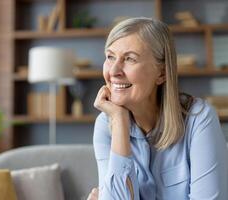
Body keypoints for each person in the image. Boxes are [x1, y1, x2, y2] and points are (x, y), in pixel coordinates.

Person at [87, 17, 228, 200]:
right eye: (110, 56)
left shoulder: (199, 118)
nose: (114, 71)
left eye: (129, 58)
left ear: (161, 73)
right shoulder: (106, 124)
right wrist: (120, 121)